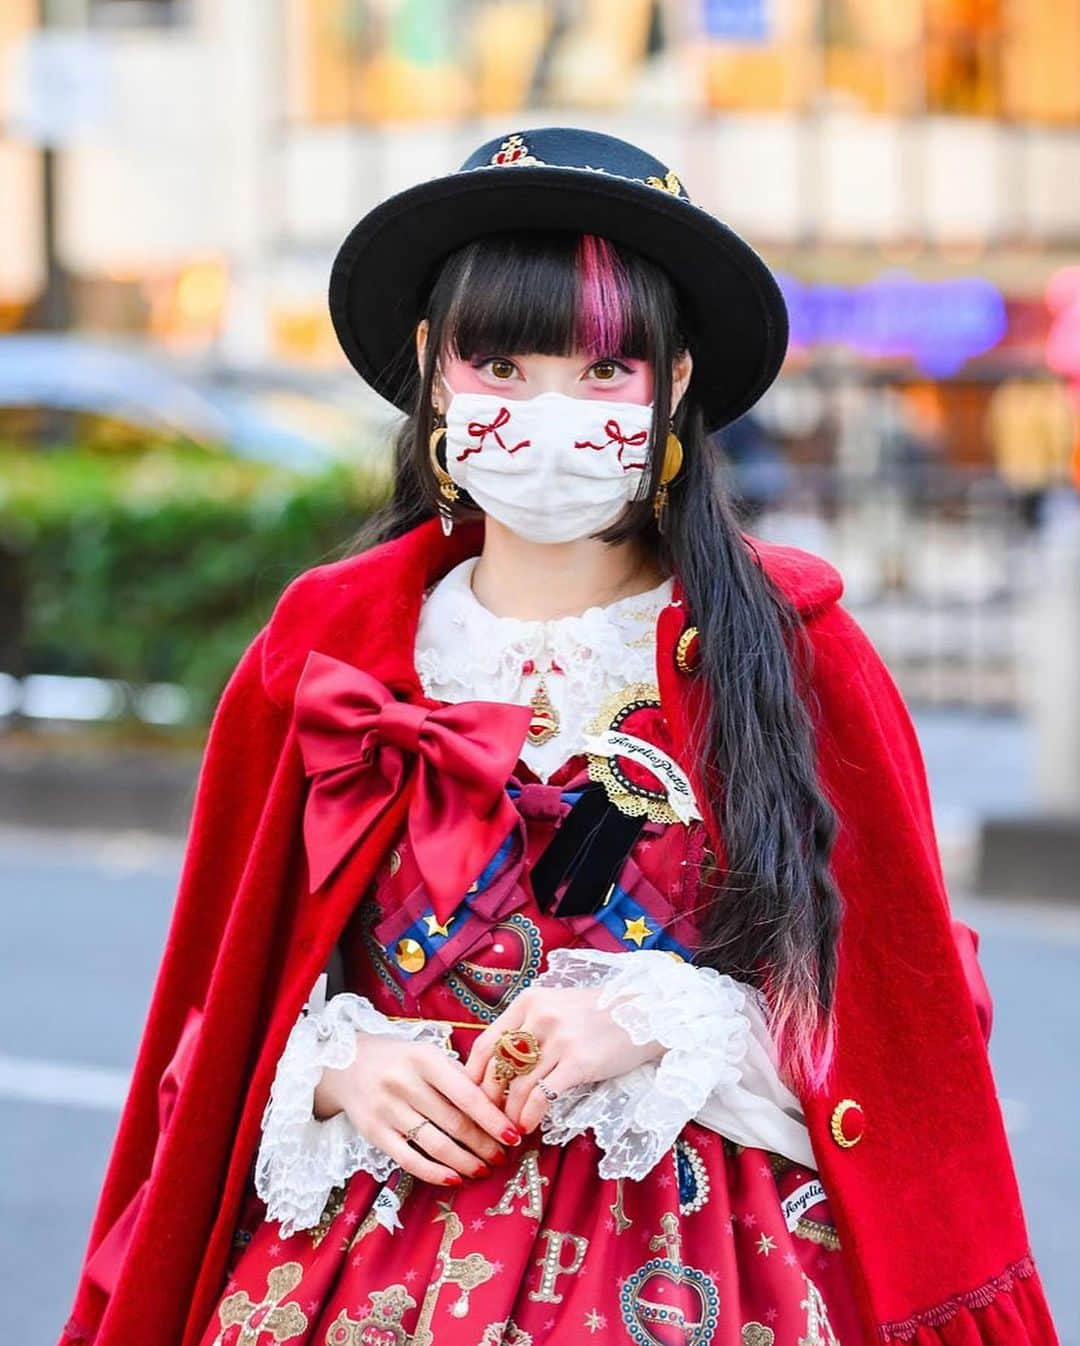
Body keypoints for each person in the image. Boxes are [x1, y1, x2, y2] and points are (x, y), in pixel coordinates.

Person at [58, 127, 1059, 1346]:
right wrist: (337, 1062)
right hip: (359, 1266)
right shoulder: (330, 647)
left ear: (676, 380)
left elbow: (919, 1008)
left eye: (602, 370)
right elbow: (215, 1009)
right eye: (500, 363)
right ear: (431, 369)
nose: (547, 413)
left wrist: (666, 1020)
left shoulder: (789, 647)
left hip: (713, 1264)